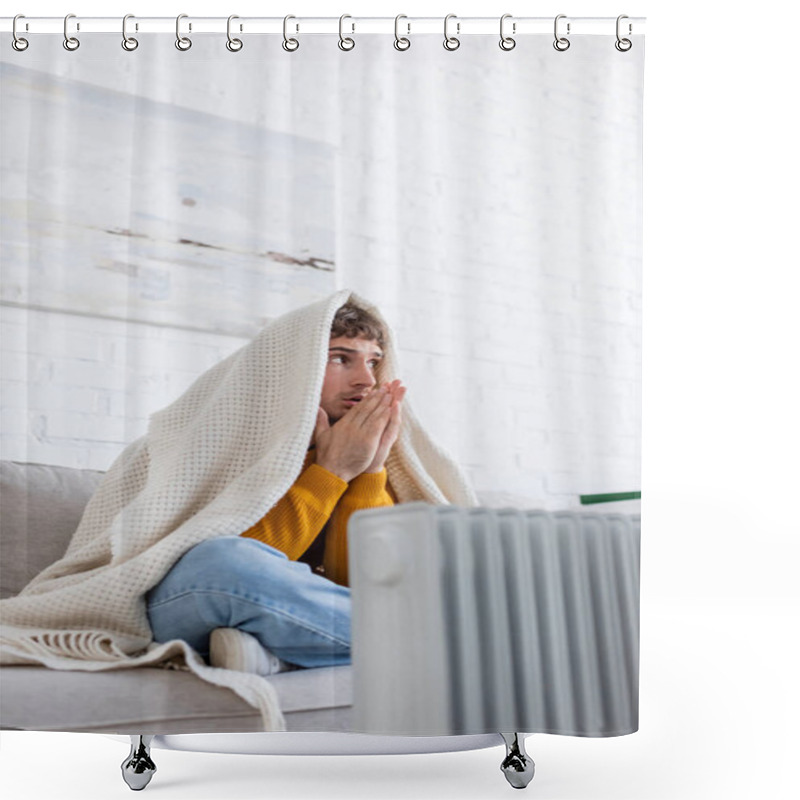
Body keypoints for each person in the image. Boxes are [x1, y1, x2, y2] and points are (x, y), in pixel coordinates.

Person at [145, 302, 405, 675]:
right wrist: (330, 472)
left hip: (295, 612)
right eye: (340, 359)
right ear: (294, 367)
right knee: (223, 562)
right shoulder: (213, 436)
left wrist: (369, 470)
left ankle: (280, 656)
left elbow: (358, 588)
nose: (366, 380)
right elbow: (245, 562)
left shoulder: (364, 450)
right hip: (187, 600)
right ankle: (446, 645)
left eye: (374, 362)